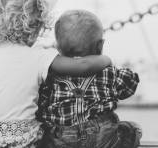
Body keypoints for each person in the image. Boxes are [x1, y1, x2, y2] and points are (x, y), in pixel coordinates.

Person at [0, 0, 111, 148]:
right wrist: (105, 59)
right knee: (50, 133)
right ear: (35, 27)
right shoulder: (38, 56)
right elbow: (83, 66)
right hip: (16, 142)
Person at [36, 10, 141, 148]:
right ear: (100, 46)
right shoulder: (108, 72)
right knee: (131, 130)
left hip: (62, 138)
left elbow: (41, 105)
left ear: (58, 48)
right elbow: (129, 86)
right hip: (103, 136)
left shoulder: (50, 77)